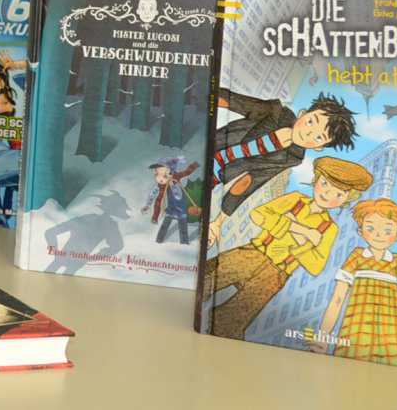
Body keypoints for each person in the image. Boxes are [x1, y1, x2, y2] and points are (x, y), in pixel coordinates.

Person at [198, 156, 371, 340]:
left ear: (347, 200)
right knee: (207, 278)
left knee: (234, 319)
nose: (327, 194)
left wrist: (300, 244)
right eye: (324, 183)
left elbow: (316, 266)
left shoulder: (330, 228)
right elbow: (258, 214)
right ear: (316, 179)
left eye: (339, 194)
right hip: (253, 254)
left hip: (276, 274)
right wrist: (300, 230)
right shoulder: (296, 199)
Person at [207, 90, 358, 249]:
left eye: (318, 137)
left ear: (319, 147)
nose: (308, 133)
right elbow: (235, 102)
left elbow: (250, 182)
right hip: (205, 147)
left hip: (214, 176)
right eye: (310, 122)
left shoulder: (292, 157)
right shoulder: (276, 112)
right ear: (302, 114)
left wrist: (218, 222)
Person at [310, 198, 397, 370]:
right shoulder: (357, 256)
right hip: (357, 329)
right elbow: (338, 298)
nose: (378, 235)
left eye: (387, 230)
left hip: (395, 334)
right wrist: (322, 338)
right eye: (370, 228)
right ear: (360, 231)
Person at [141, 156, 199, 244]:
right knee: (165, 225)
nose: (159, 177)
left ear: (169, 172)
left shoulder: (175, 179)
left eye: (162, 173)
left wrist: (172, 183)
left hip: (181, 208)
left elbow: (178, 196)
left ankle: (184, 243)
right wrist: (148, 205)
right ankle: (158, 241)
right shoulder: (161, 185)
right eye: (157, 173)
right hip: (171, 209)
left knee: (183, 227)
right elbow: (154, 194)